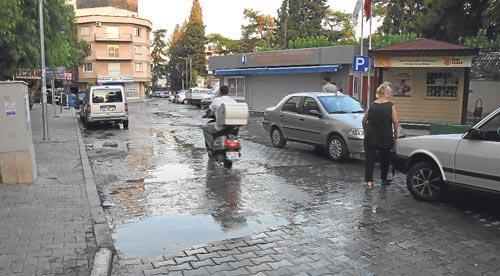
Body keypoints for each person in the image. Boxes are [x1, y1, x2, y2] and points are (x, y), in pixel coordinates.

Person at [363, 81, 401, 188]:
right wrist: (396, 132)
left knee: (369, 160)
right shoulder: (390, 105)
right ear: (387, 93)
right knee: (384, 159)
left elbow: (364, 119)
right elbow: (396, 121)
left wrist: (366, 130)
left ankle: (369, 182)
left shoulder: (372, 105)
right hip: (385, 137)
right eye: (390, 93)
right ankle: (383, 179)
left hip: (370, 137)